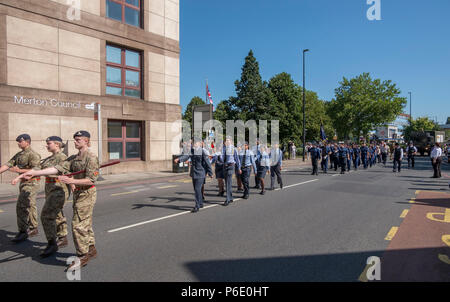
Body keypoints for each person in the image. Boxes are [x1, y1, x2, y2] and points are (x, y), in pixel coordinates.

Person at [20, 131, 99, 270]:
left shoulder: (91, 157)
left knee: (78, 224)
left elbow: (91, 179)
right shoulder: (73, 158)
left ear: (86, 141)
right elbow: (57, 168)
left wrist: (71, 180)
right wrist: (34, 172)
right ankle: (91, 249)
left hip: (87, 192)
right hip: (78, 193)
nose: (75, 142)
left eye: (78, 140)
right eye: (75, 139)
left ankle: (82, 255)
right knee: (84, 222)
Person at [0, 134, 41, 243]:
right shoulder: (19, 155)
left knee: (26, 205)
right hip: (23, 183)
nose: (18, 143)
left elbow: (35, 170)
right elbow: (8, 164)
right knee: (24, 206)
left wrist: (18, 171)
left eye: (20, 141)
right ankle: (27, 229)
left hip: (32, 183)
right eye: (17, 141)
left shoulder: (33, 155)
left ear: (27, 142)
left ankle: (30, 229)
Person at [38, 136, 70, 257]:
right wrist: (26, 172)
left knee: (46, 215)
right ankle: (62, 237)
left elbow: (61, 172)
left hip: (58, 189)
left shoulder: (62, 158)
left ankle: (52, 244)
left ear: (57, 144)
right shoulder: (49, 158)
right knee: (57, 213)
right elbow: (38, 167)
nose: (47, 145)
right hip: (50, 188)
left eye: (49, 143)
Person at [175, 139, 213, 212]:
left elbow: (207, 163)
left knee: (197, 189)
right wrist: (179, 159)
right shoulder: (192, 151)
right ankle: (201, 202)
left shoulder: (202, 151)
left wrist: (210, 173)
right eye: (193, 143)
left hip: (201, 173)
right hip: (194, 173)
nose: (194, 144)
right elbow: (186, 156)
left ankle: (197, 205)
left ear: (199, 143)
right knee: (196, 189)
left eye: (195, 143)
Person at [222, 137, 241, 206]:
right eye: (226, 140)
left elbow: (237, 159)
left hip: (231, 166)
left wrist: (239, 168)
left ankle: (227, 199)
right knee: (227, 182)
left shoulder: (233, 149)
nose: (226, 141)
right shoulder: (224, 148)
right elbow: (222, 158)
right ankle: (230, 197)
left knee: (228, 182)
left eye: (228, 140)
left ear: (231, 141)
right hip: (225, 166)